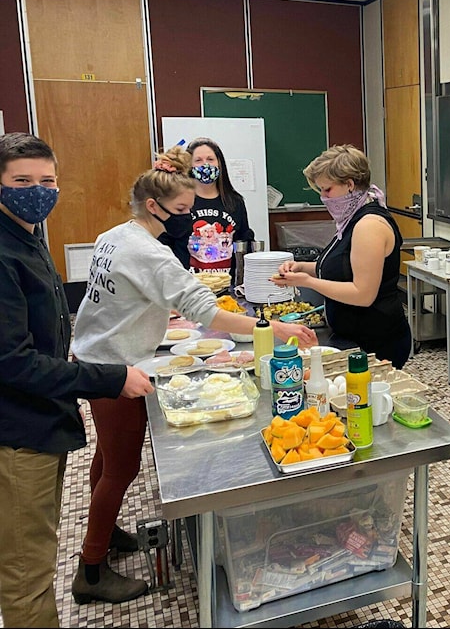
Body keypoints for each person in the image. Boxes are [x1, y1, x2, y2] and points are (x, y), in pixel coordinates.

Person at [70, 145, 317, 605]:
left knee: (105, 458)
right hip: (114, 368)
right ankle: (90, 569)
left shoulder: (113, 236)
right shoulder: (153, 255)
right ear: (153, 206)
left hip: (91, 353)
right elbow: (209, 312)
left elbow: (121, 300)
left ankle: (106, 532)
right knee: (119, 468)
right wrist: (274, 326)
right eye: (183, 210)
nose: (190, 217)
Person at [0, 132, 155, 628]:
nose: (38, 190)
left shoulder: (26, 235)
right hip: (17, 432)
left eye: (47, 180)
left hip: (43, 418)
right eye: (22, 181)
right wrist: (110, 378)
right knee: (27, 575)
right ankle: (82, 579)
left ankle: (102, 540)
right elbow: (13, 362)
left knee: (40, 545)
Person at [272, 145, 412, 369]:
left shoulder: (369, 226)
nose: (323, 197)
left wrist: (307, 282)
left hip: (376, 341)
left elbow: (363, 294)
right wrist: (302, 267)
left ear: (349, 184)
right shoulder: (351, 219)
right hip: (352, 336)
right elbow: (342, 266)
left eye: (327, 190)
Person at [159, 137, 254, 279]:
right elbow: (165, 242)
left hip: (227, 284)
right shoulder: (180, 202)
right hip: (188, 285)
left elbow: (244, 241)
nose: (205, 164)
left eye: (210, 159)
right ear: (190, 166)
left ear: (219, 163)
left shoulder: (235, 201)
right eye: (198, 160)